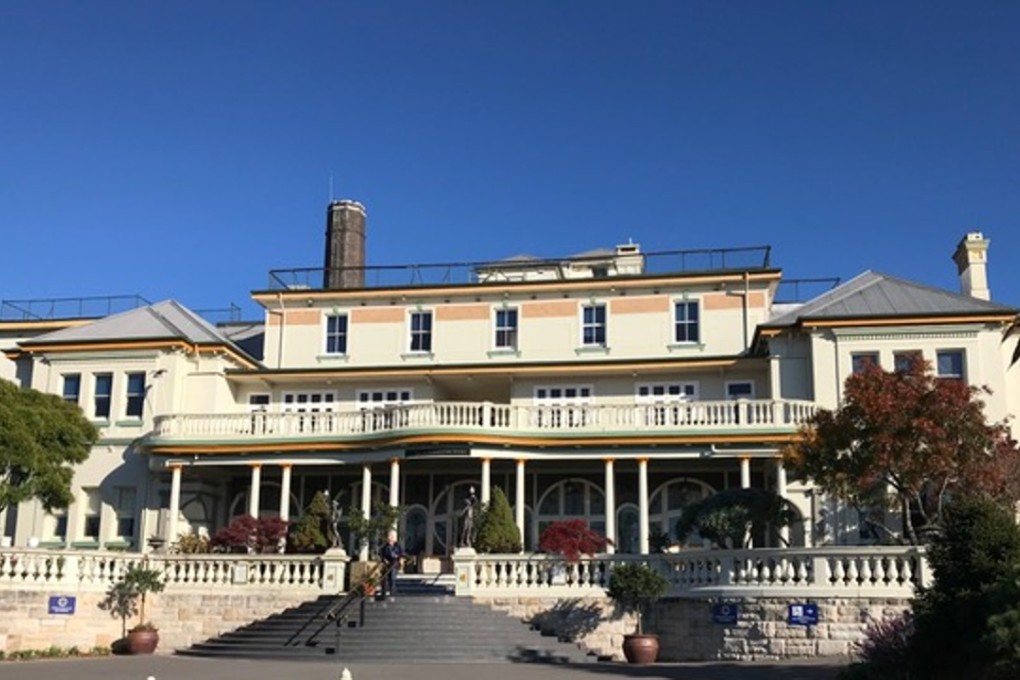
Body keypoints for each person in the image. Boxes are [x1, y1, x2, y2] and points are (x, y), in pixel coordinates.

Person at [379, 529, 403, 599]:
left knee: (392, 576)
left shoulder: (398, 546)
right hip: (387, 564)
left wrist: (398, 559)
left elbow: (400, 554)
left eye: (393, 536)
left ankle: (393, 590)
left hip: (394, 564)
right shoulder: (385, 547)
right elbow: (381, 554)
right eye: (390, 536)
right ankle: (384, 591)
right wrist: (384, 560)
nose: (391, 538)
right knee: (385, 577)